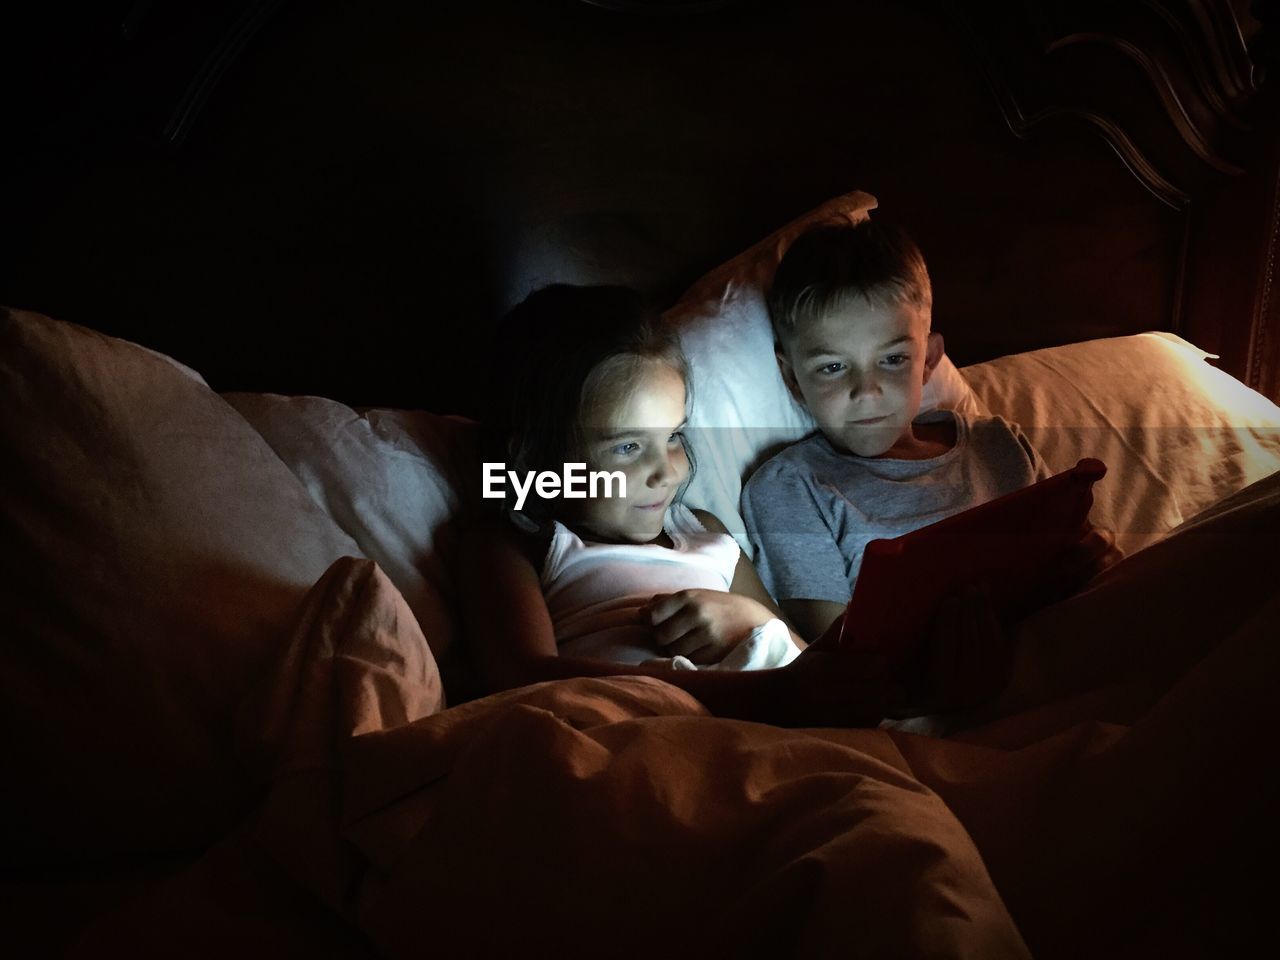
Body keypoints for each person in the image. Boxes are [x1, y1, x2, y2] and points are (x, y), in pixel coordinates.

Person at [458, 283, 988, 727]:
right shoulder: (518, 543)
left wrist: (752, 619)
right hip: (653, 735)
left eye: (673, 436)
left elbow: (803, 661)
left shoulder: (706, 532)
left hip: (774, 731)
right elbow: (522, 678)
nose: (667, 469)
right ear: (536, 459)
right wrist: (765, 698)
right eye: (626, 447)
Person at [741, 218, 1119, 650]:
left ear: (929, 359)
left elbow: (1084, 557)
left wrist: (1101, 559)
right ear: (792, 378)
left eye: (893, 359)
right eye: (832, 367)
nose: (866, 392)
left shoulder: (999, 444)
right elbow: (843, 654)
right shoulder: (792, 486)